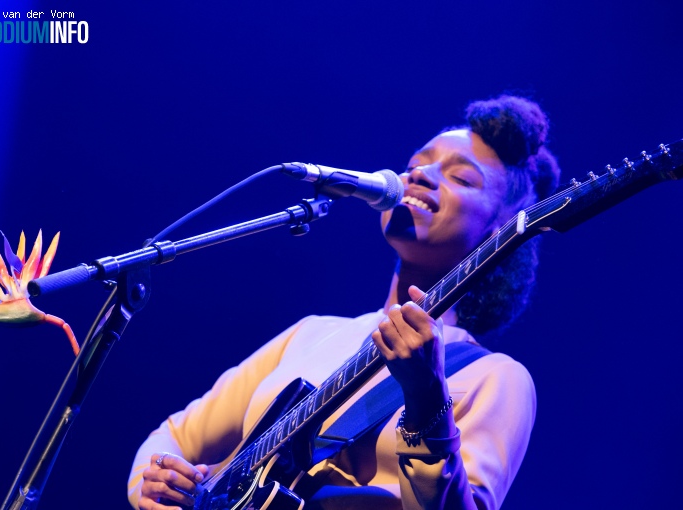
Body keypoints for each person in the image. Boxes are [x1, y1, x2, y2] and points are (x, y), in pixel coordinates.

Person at [127, 94, 561, 510]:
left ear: (501, 229)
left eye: (462, 178)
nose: (421, 176)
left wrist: (427, 396)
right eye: (416, 165)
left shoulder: (496, 378)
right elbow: (169, 439)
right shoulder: (314, 332)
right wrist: (159, 481)